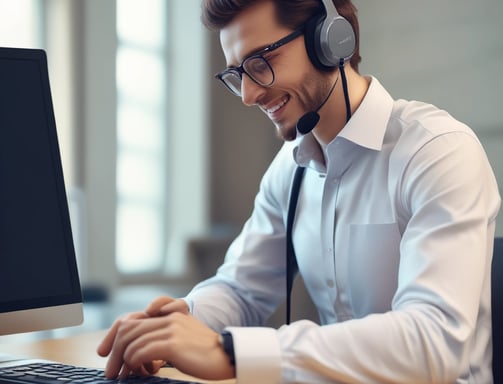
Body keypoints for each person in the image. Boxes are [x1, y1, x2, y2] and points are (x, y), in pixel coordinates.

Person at [97, 0, 501, 382]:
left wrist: (232, 353)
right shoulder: (289, 169)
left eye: (261, 62)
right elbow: (242, 289)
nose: (249, 94)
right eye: (237, 73)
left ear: (329, 39)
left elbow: (435, 341)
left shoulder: (438, 152)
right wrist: (184, 319)